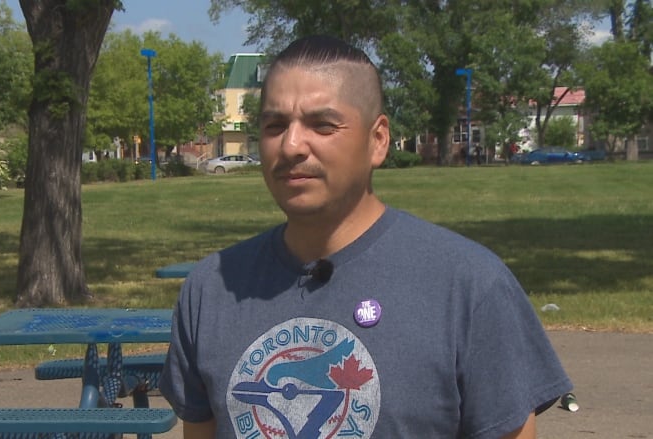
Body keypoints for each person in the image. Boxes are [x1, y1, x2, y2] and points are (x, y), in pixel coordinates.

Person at [160, 35, 572, 438]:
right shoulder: (211, 289)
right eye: (274, 125)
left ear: (378, 140)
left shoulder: (470, 285)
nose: (291, 145)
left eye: (322, 125)